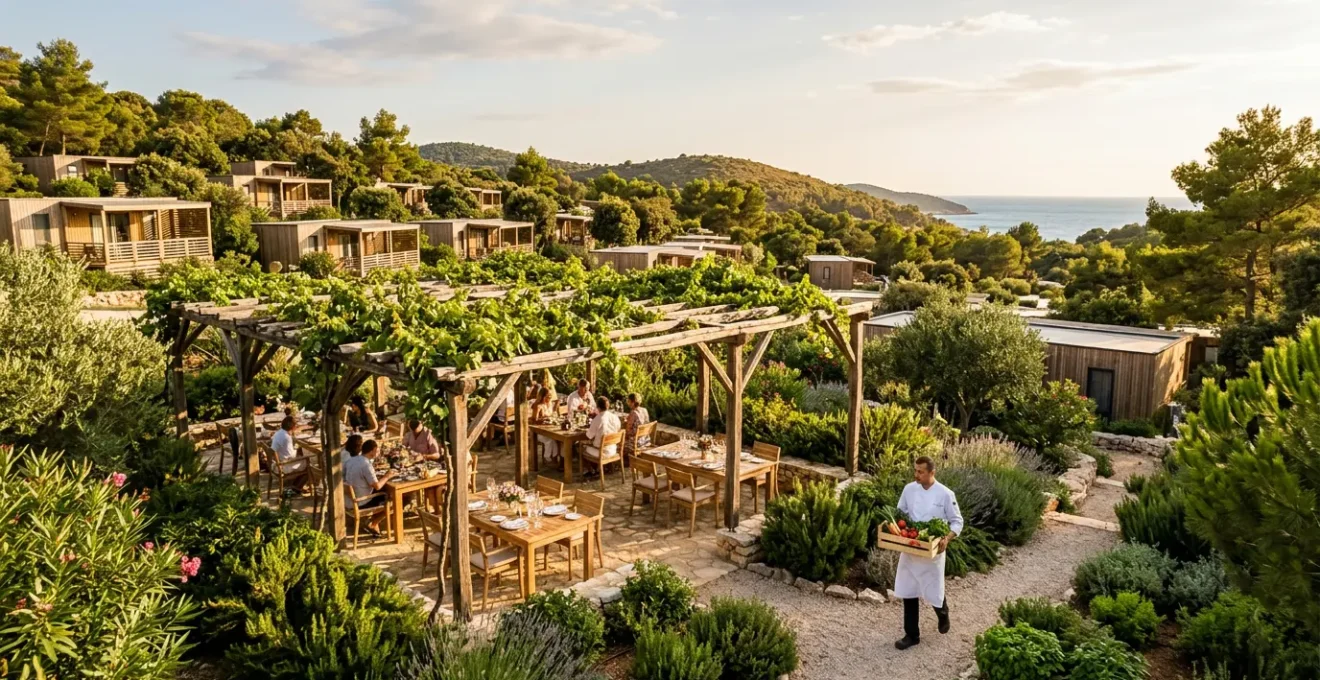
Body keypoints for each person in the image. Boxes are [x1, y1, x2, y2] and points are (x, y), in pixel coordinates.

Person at [893, 456, 964, 650]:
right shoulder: (909, 489)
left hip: (933, 552)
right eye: (915, 470)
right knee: (909, 591)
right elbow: (901, 512)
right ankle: (911, 635)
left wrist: (947, 538)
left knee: (932, 589)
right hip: (911, 548)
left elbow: (957, 521)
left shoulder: (945, 494)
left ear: (932, 473)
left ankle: (943, 613)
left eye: (920, 472)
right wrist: (902, 531)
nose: (916, 474)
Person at [344, 437, 395, 538]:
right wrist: (387, 476)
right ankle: (373, 523)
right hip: (360, 502)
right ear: (373, 451)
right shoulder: (366, 465)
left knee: (384, 493)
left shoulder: (350, 461)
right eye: (377, 450)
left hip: (348, 500)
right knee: (394, 500)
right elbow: (378, 486)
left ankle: (374, 523)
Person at [584, 396, 622, 461]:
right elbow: (618, 429)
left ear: (597, 407)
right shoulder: (615, 417)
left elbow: (589, 436)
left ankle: (592, 469)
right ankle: (602, 468)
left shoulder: (597, 419)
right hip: (613, 449)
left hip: (601, 452)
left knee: (581, 447)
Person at [532, 386, 561, 463]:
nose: (549, 398)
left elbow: (552, 414)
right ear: (543, 396)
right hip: (539, 431)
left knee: (556, 439)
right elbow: (534, 420)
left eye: (550, 396)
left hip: (549, 429)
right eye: (548, 396)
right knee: (550, 440)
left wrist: (556, 405)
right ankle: (547, 457)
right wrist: (544, 419)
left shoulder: (549, 403)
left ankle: (555, 457)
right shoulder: (538, 405)